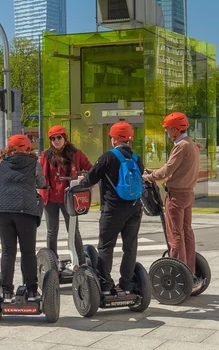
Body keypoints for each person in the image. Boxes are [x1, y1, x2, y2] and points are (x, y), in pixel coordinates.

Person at [76, 122, 144, 294]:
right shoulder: (136, 158)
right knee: (130, 247)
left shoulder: (108, 156)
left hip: (113, 209)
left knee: (106, 246)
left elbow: (91, 178)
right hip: (135, 208)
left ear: (114, 139)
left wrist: (80, 182)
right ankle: (127, 284)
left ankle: (105, 285)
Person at [0, 134, 46, 300]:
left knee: (8, 251)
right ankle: (32, 291)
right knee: (28, 252)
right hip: (24, 209)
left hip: (1, 209)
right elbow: (41, 183)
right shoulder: (34, 163)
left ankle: (6, 292)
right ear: (28, 147)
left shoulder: (3, 163)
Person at [143, 113, 201, 280]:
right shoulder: (191, 144)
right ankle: (190, 270)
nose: (167, 132)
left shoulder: (181, 146)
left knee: (175, 234)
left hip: (176, 195)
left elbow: (167, 171)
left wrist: (148, 176)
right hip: (188, 193)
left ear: (175, 129)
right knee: (187, 232)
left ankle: (178, 273)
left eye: (168, 129)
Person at [39, 125, 92, 262]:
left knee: (73, 230)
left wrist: (83, 178)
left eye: (59, 137)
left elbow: (90, 169)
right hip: (50, 198)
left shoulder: (76, 154)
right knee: (52, 231)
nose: (56, 141)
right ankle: (52, 260)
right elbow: (41, 175)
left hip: (69, 197)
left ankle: (80, 260)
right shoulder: (46, 155)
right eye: (53, 138)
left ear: (65, 138)